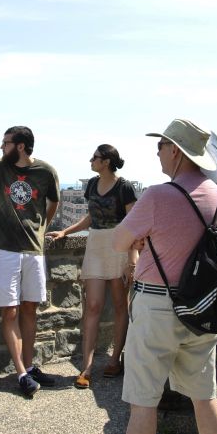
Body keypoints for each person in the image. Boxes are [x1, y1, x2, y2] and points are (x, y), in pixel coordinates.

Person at [113, 119, 217, 434]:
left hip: (157, 305)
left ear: (176, 152)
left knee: (144, 403)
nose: (158, 153)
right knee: (205, 398)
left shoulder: (158, 195)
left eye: (161, 146)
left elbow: (120, 241)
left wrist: (143, 237)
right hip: (202, 307)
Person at [0, 126, 60, 398]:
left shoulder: (46, 172)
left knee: (30, 308)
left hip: (33, 250)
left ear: (20, 146)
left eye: (5, 143)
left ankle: (29, 366)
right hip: (3, 249)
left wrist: (42, 227)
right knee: (10, 311)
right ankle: (20, 373)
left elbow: (53, 202)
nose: (1, 147)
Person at [47, 144, 138, 389]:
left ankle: (115, 359)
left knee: (121, 306)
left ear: (106, 161)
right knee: (94, 305)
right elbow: (90, 217)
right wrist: (65, 231)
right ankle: (86, 366)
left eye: (95, 157)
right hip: (96, 245)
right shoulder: (91, 184)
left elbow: (133, 224)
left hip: (118, 246)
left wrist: (132, 259)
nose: (91, 160)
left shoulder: (125, 187)